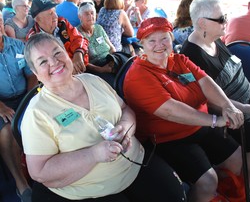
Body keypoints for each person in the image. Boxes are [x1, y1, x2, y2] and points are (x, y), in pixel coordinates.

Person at [21, 32, 187, 202]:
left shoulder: (92, 80)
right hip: (90, 190)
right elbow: (39, 171)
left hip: (136, 162)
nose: (54, 62)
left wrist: (125, 129)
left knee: (177, 195)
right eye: (43, 61)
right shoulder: (36, 113)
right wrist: (94, 154)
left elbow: (125, 109)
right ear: (35, 73)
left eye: (57, 53)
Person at [123, 17, 245, 202]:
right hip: (166, 139)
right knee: (207, 181)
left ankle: (226, 197)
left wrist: (227, 106)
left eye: (164, 38)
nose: (159, 45)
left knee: (236, 158)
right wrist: (215, 120)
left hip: (199, 125)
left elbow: (206, 82)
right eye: (151, 40)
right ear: (142, 46)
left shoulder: (177, 59)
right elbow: (170, 110)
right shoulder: (138, 75)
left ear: (172, 39)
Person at [181, 0, 250, 188]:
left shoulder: (216, 39)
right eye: (221, 19)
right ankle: (246, 187)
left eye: (226, 16)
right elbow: (205, 100)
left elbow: (235, 68)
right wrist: (243, 108)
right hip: (228, 109)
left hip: (246, 98)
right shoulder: (191, 56)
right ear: (202, 23)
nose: (226, 22)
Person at [0, 11, 38, 202]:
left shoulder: (18, 46)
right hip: (2, 103)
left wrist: (30, 98)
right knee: (8, 130)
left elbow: (31, 74)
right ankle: (20, 183)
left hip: (24, 96)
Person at [27, 0, 89, 74]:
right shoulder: (33, 38)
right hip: (58, 76)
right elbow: (42, 66)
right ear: (38, 19)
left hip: (79, 69)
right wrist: (68, 69)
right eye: (50, 14)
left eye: (54, 12)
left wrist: (78, 53)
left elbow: (79, 39)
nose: (55, 16)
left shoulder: (62, 23)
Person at [77, 1, 116, 84]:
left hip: (109, 61)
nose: (90, 16)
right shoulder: (76, 33)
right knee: (113, 83)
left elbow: (112, 48)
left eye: (92, 13)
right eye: (86, 14)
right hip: (95, 69)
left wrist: (113, 61)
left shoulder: (99, 28)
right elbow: (82, 62)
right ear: (79, 16)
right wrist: (101, 69)